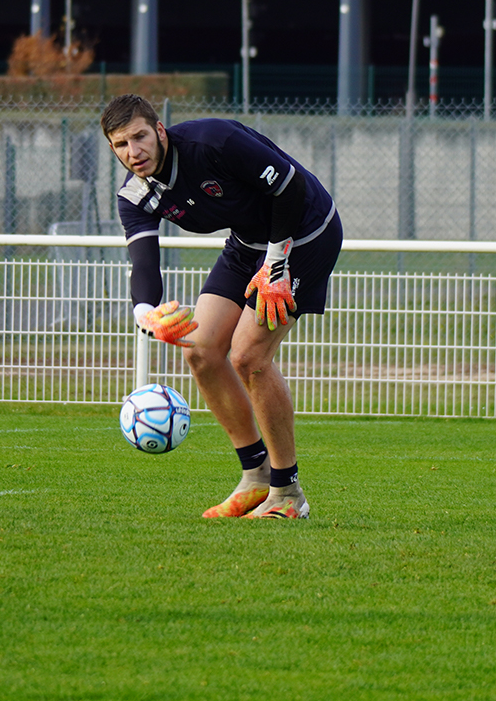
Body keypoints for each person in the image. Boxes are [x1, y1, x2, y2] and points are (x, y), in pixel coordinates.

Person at [102, 94, 342, 519]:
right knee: (200, 349)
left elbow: (290, 185)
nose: (133, 152)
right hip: (247, 242)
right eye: (121, 145)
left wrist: (277, 264)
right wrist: (147, 317)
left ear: (160, 130)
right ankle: (256, 477)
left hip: (306, 232)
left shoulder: (213, 141)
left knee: (248, 356)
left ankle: (287, 494)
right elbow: (142, 262)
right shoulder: (135, 194)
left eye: (139, 137)